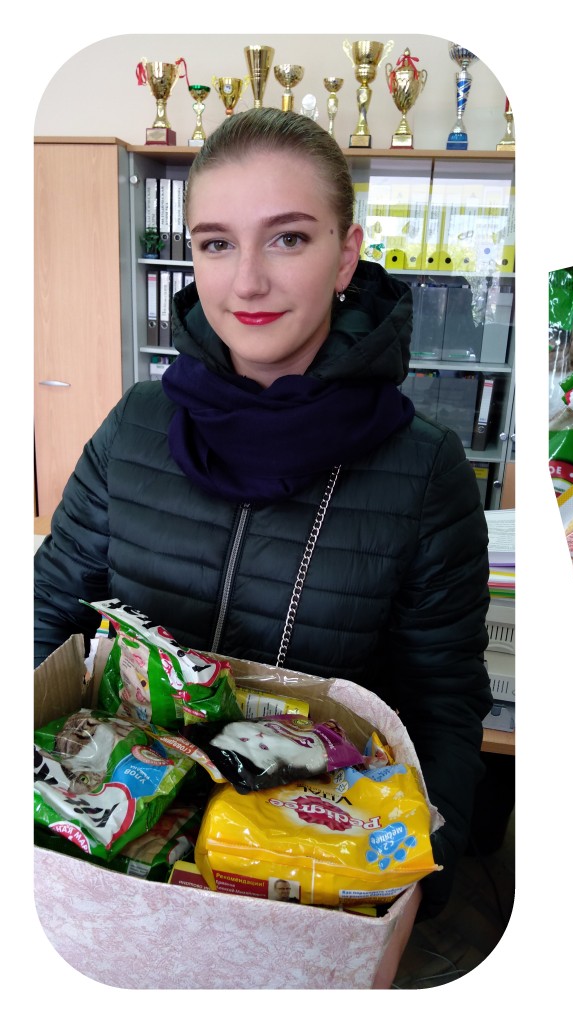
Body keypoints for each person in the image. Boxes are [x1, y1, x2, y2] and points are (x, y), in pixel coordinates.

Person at [33, 107, 493, 942]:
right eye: (216, 243)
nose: (245, 282)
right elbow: (47, 616)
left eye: (287, 238)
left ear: (345, 256)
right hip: (114, 852)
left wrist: (417, 888)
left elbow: (442, 703)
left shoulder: (425, 470)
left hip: (306, 877)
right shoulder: (136, 426)